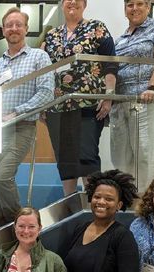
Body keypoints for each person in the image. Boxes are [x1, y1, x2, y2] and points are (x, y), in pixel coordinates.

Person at [0, 8, 54, 228]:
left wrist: (18, 111)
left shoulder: (39, 57)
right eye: (9, 25)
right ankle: (3, 236)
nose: (13, 28)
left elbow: (46, 93)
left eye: (18, 24)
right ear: (3, 30)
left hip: (21, 126)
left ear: (26, 29)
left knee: (1, 176)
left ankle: (21, 226)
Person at [42, 0, 117, 196]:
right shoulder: (51, 35)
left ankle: (93, 203)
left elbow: (111, 63)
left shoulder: (96, 28)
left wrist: (108, 96)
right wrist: (43, 105)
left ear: (84, 4)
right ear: (62, 4)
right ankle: (70, 204)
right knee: (65, 158)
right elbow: (43, 72)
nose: (72, 2)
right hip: (57, 106)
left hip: (88, 104)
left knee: (87, 155)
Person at [110, 0, 154, 190]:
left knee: (150, 158)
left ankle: (150, 206)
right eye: (130, 5)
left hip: (152, 100)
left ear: (148, 7)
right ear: (125, 10)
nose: (135, 8)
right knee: (122, 159)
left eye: (140, 3)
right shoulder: (121, 39)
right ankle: (129, 204)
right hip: (123, 104)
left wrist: (153, 87)